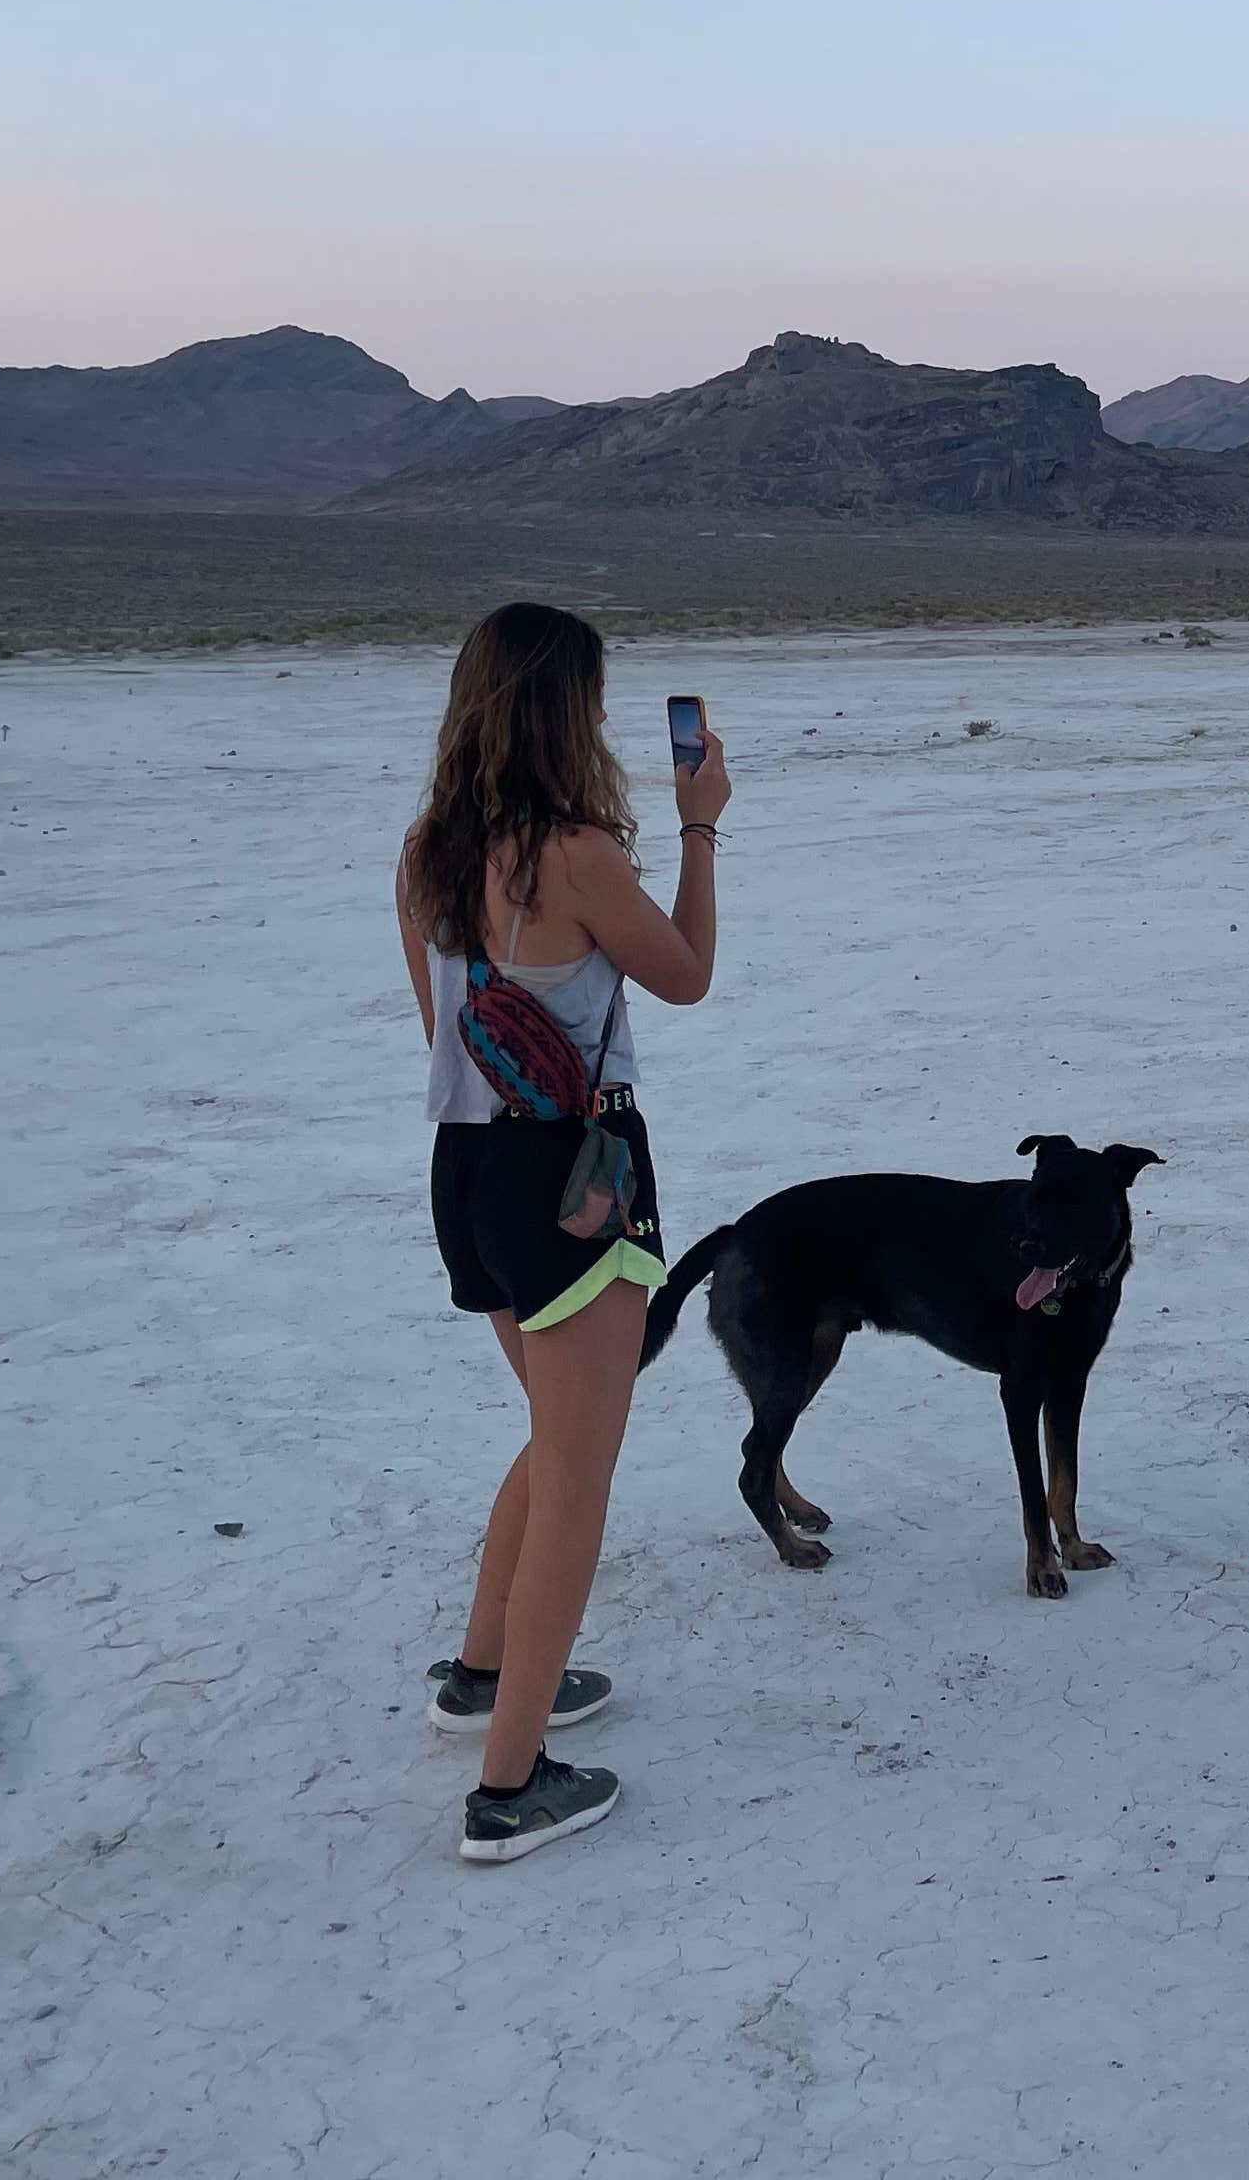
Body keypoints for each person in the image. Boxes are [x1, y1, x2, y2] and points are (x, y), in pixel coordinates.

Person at [395, 601, 728, 1863]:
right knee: (581, 1481)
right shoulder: (577, 855)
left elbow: (435, 1023)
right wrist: (700, 827)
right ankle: (510, 1783)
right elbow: (688, 972)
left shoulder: (426, 850)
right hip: (576, 1181)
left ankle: (484, 1677)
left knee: (552, 1437)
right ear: (562, 712)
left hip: (468, 1172)